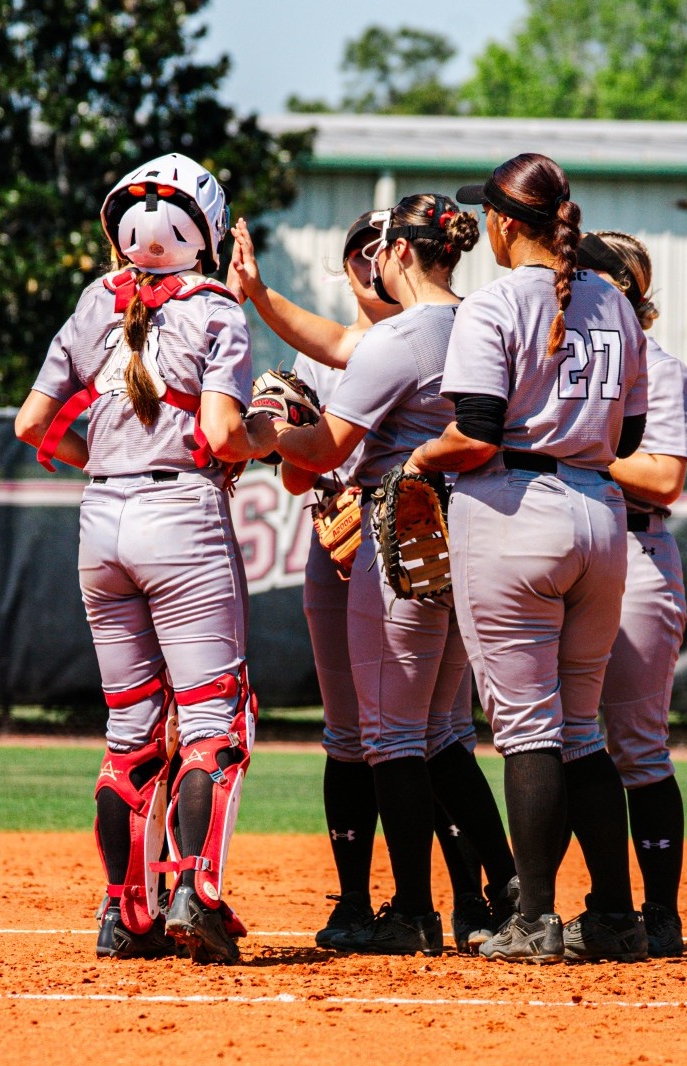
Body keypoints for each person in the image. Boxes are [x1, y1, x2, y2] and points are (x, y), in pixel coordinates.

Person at [12, 153, 278, 965]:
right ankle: (195, 890)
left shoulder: (96, 300)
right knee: (214, 722)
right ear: (203, 231)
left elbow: (31, 424)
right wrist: (270, 434)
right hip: (181, 514)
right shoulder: (218, 310)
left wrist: (94, 451)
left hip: (103, 518)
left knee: (130, 732)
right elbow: (229, 436)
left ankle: (124, 913)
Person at [235, 207, 516, 953]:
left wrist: (259, 438)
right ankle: (502, 890)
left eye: (375, 251)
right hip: (477, 532)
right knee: (444, 731)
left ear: (394, 254)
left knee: (394, 734)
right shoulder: (486, 321)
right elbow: (334, 345)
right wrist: (260, 297)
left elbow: (322, 451)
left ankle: (415, 912)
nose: (367, 265)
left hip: (401, 531)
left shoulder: (398, 338)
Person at [407, 153, 649, 963]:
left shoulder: (493, 304)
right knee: (582, 727)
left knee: (527, 727)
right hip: (602, 516)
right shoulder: (614, 300)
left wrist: (414, 464)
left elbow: (474, 436)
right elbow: (632, 439)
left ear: (507, 224)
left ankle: (535, 918)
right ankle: (615, 916)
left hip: (514, 512)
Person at [578, 231, 687, 959]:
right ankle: (594, 904)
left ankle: (659, 913)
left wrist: (582, 452)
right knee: (558, 737)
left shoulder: (662, 369)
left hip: (636, 549)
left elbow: (662, 480)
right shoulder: (557, 369)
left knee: (637, 746)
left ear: (620, 289)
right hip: (569, 550)